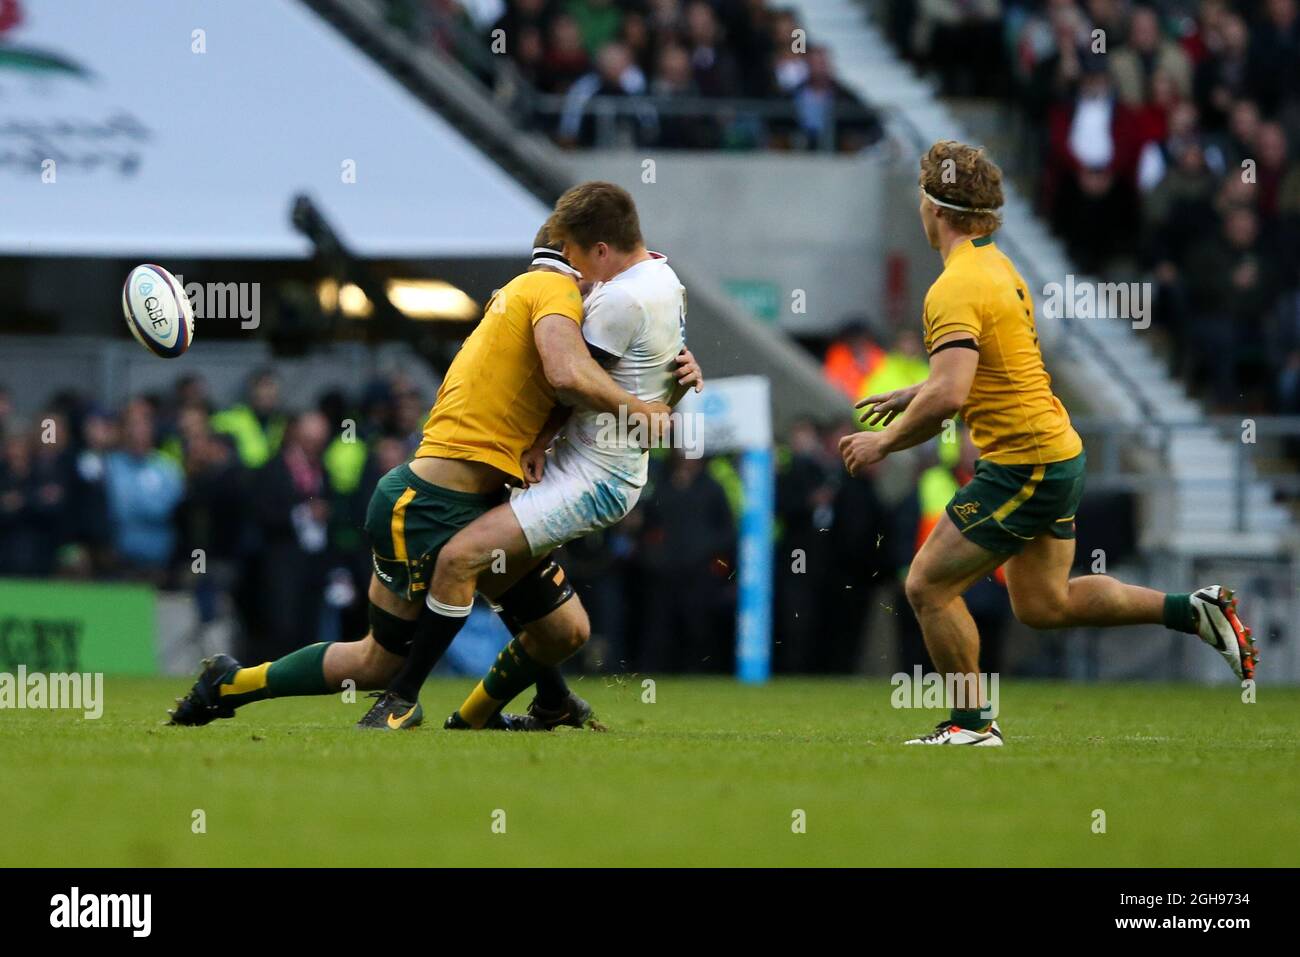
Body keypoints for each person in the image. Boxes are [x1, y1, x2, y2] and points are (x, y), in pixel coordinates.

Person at [168, 218, 700, 729]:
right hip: (425, 504)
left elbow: (592, 373)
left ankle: (548, 699)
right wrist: (647, 406)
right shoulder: (552, 294)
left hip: (481, 495)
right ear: (576, 258)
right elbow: (571, 377)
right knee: (375, 661)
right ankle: (249, 685)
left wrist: (665, 378)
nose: (610, 287)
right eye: (600, 268)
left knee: (564, 630)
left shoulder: (533, 300)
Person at [840, 140, 1258, 747]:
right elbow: (984, 371)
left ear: (935, 208)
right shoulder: (997, 266)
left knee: (927, 585)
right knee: (1044, 604)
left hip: (1024, 462)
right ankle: (1195, 610)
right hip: (1055, 451)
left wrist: (884, 445)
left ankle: (972, 724)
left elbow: (953, 396)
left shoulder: (954, 286)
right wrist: (915, 393)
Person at [366, 181, 701, 730]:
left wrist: (619, 413)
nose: (563, 264)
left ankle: (400, 699)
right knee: (510, 580)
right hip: (595, 462)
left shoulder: (617, 297)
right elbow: (653, 372)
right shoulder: (663, 278)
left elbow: (569, 380)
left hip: (596, 475)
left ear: (598, 249)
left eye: (569, 250)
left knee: (460, 559)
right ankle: (532, 707)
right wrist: (668, 392)